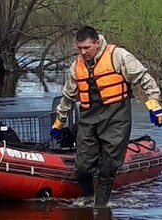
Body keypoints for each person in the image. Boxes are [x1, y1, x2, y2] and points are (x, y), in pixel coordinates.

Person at [50, 26, 162, 207]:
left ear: (97, 43)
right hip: (88, 119)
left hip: (116, 117)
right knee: (82, 167)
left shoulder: (119, 56)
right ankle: (87, 200)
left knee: (108, 166)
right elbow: (68, 96)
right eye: (79, 48)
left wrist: (154, 104)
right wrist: (59, 122)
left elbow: (144, 78)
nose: (83, 52)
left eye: (87, 47)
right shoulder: (76, 66)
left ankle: (101, 207)